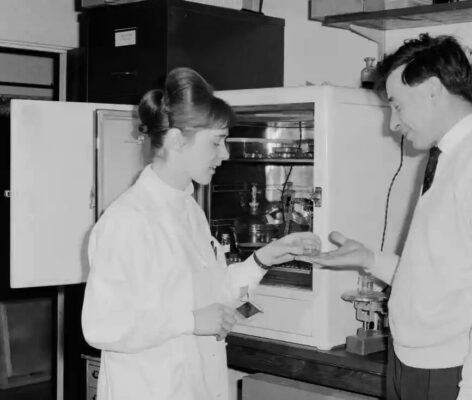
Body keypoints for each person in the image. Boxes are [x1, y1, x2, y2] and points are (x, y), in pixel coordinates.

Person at [301, 34, 472, 400]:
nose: (393, 124)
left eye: (397, 105)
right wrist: (370, 260)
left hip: (462, 375)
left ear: (432, 90)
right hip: (416, 365)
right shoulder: (448, 159)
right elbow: (444, 276)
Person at [81, 67, 320, 400]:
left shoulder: (189, 210)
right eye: (216, 142)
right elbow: (102, 326)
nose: (224, 154)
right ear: (178, 140)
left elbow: (214, 298)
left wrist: (263, 259)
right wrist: (190, 320)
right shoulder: (128, 220)